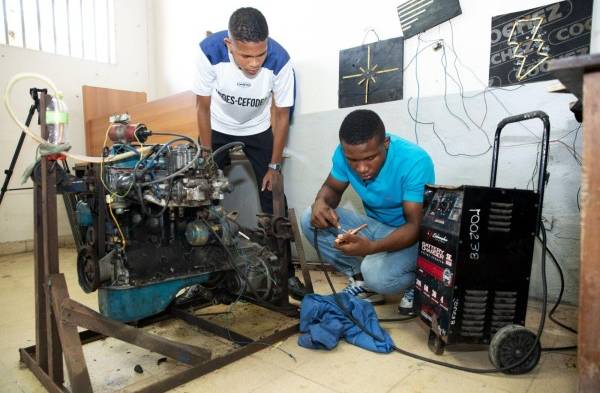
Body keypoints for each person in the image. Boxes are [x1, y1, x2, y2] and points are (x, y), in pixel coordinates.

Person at [192, 7, 307, 299]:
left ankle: (284, 272)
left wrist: (274, 166)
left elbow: (281, 116)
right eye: (246, 56)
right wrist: (206, 155)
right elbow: (202, 107)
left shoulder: (280, 60)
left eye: (261, 54)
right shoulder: (209, 53)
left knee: (274, 194)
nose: (255, 63)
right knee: (201, 195)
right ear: (229, 45)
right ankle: (205, 274)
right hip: (217, 128)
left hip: (257, 130)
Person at [301, 109, 435, 314]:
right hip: (377, 228)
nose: (361, 168)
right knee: (309, 218)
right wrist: (320, 202)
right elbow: (333, 189)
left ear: (386, 144)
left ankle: (419, 283)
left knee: (375, 274)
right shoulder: (343, 154)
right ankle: (361, 283)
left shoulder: (415, 161)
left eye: (370, 158)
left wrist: (371, 248)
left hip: (413, 236)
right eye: (353, 161)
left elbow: (414, 227)